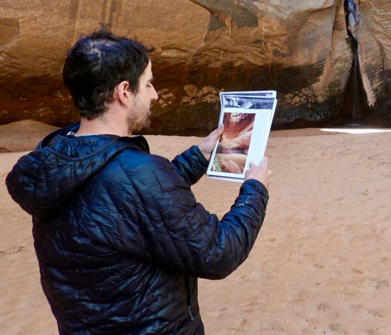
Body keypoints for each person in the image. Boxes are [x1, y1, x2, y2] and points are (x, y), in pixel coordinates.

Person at [5, 29, 270, 334]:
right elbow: (217, 253)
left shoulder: (54, 157)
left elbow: (124, 202)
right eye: (149, 84)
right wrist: (255, 189)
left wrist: (198, 155)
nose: (155, 94)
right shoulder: (135, 175)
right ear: (124, 92)